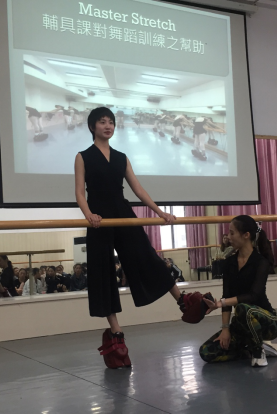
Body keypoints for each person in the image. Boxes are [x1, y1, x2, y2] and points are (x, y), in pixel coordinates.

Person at [75, 107, 193, 369]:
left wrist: (160, 212)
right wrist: (89, 215)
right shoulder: (82, 157)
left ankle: (182, 300)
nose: (108, 126)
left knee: (146, 255)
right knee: (103, 272)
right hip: (99, 218)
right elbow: (80, 192)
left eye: (111, 122)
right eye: (102, 122)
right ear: (92, 126)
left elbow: (138, 189)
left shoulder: (121, 157)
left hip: (122, 212)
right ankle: (116, 330)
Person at [199, 216, 277, 368]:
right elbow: (226, 295)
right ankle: (248, 350)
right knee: (206, 352)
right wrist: (225, 329)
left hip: (268, 322)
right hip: (242, 323)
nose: (228, 237)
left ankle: (258, 352)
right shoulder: (229, 263)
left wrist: (221, 303)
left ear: (246, 235)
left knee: (243, 308)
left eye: (232, 233)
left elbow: (253, 295)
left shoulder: (261, 262)